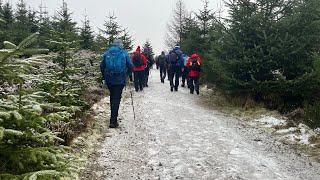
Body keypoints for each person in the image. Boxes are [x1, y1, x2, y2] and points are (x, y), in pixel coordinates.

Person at [100, 39, 134, 128]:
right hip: (120, 79)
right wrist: (127, 74)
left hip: (109, 79)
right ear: (120, 45)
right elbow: (131, 66)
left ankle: (112, 117)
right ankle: (113, 121)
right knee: (116, 98)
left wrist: (104, 76)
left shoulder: (107, 53)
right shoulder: (123, 53)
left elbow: (102, 66)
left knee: (112, 96)